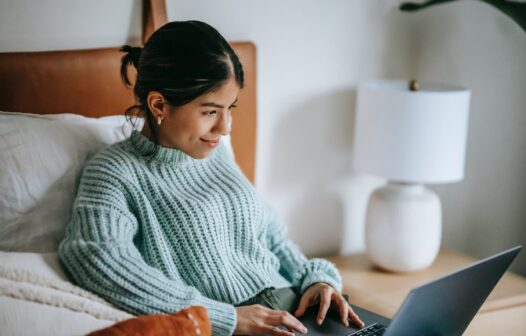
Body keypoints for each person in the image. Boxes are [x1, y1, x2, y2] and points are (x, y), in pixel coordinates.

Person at [58, 20, 364, 336]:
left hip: (298, 310)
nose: (226, 127)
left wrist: (316, 279)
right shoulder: (114, 171)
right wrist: (223, 318)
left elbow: (271, 238)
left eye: (230, 108)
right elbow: (95, 256)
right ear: (159, 104)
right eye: (210, 111)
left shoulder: (216, 154)